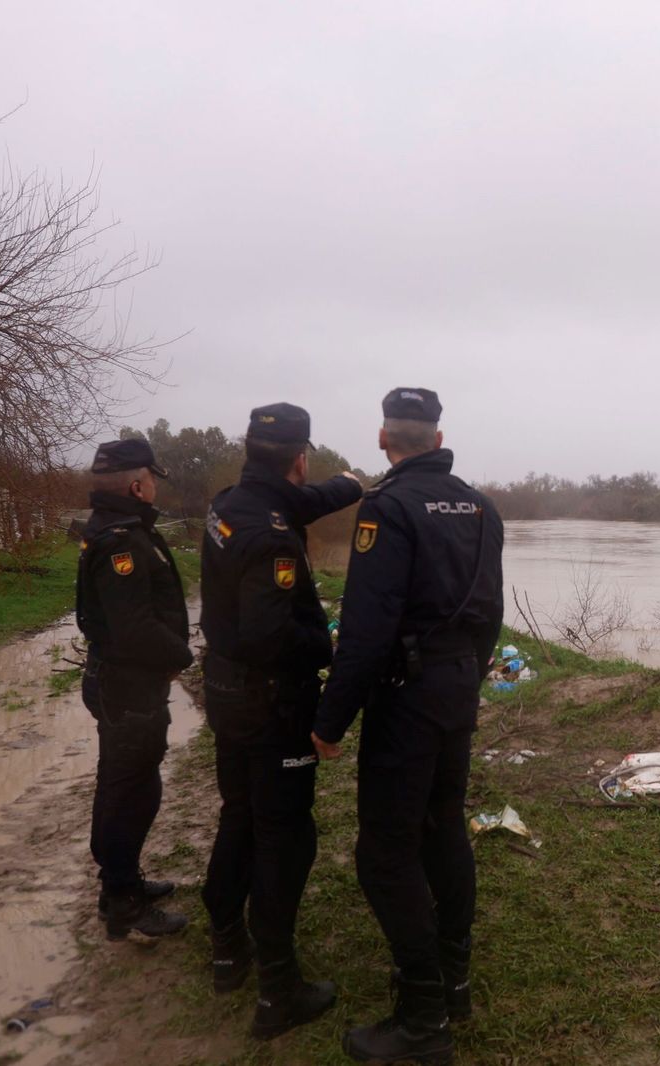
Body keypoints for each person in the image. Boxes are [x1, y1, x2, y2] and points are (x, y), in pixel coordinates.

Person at [312, 387, 504, 1065]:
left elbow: (366, 630)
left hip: (407, 695)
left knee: (384, 853)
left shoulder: (386, 508)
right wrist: (466, 677)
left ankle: (424, 1020)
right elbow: (490, 615)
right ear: (438, 438)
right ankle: (454, 981)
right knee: (443, 825)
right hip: (456, 687)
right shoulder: (480, 506)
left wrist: (331, 720)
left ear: (383, 438)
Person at [198, 403, 364, 1037]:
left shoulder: (227, 504)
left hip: (226, 692)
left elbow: (299, 501)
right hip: (271, 704)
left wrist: (348, 485)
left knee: (239, 814)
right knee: (286, 837)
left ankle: (226, 947)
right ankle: (278, 990)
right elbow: (269, 636)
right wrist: (326, 646)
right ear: (299, 458)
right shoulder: (272, 537)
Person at [75, 438, 192, 939]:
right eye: (152, 480)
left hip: (124, 682)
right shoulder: (121, 540)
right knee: (132, 792)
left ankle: (118, 885)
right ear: (138, 485)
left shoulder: (116, 528)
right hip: (128, 687)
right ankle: (123, 900)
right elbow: (134, 628)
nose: (154, 489)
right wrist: (182, 657)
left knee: (123, 785)